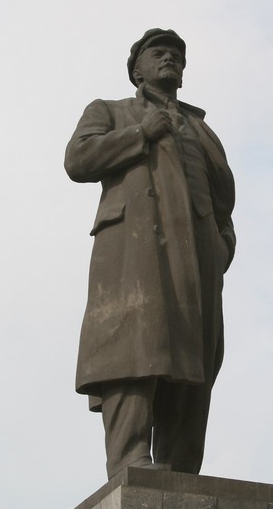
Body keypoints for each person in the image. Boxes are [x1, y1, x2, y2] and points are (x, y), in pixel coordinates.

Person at [64, 28, 235, 479]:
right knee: (134, 352)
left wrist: (222, 244)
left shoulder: (202, 129)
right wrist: (141, 133)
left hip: (198, 258)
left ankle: (180, 469)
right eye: (159, 53)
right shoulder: (112, 111)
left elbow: (223, 199)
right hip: (135, 251)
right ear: (136, 68)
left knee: (193, 360)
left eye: (177, 55)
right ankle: (131, 460)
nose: (170, 60)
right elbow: (77, 160)